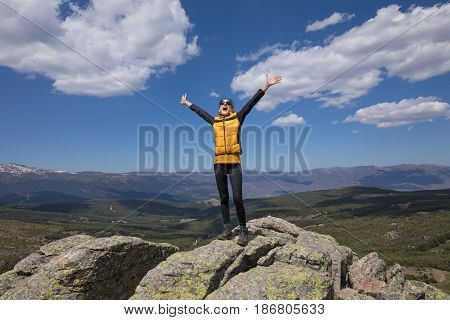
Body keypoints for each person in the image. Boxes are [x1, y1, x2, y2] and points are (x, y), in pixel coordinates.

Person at [180, 74, 282, 246]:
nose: (224, 105)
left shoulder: (238, 118)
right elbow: (200, 112)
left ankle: (243, 230)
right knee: (223, 198)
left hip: (234, 163)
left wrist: (267, 85)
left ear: (232, 108)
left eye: (228, 103)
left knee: (237, 198)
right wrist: (187, 103)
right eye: (222, 104)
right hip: (219, 164)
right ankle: (227, 228)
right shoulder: (214, 121)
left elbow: (252, 102)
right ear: (219, 109)